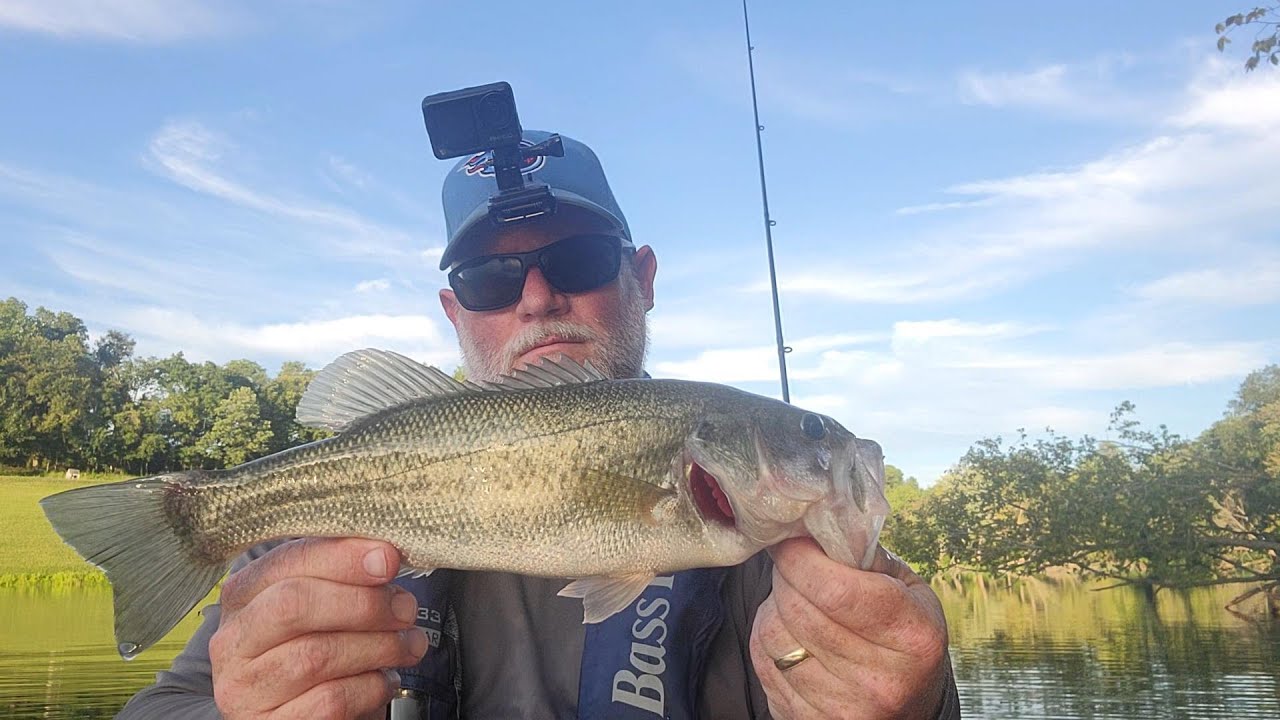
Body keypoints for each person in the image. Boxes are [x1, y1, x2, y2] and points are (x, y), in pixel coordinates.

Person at [119, 130, 961, 719]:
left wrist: (915, 705)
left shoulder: (779, 568)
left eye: (580, 261)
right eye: (490, 277)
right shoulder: (298, 556)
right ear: (453, 312)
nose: (536, 296)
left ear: (643, 278)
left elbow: (891, 686)